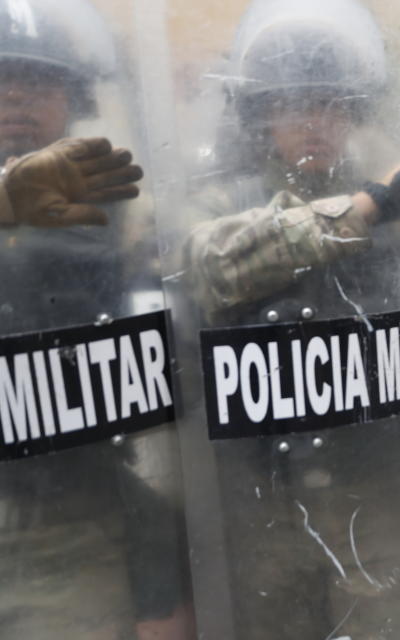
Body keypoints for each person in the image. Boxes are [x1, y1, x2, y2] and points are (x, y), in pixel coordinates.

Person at [173, 1, 400, 637]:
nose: (314, 122)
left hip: (372, 484)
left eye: (331, 103)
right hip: (259, 492)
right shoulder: (218, 196)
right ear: (260, 114)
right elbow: (205, 264)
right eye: (292, 104)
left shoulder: (399, 192)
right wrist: (365, 207)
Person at [0, 0, 194, 638]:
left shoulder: (121, 207)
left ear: (71, 98)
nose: (19, 98)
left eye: (40, 81)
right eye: (3, 78)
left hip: (75, 510)